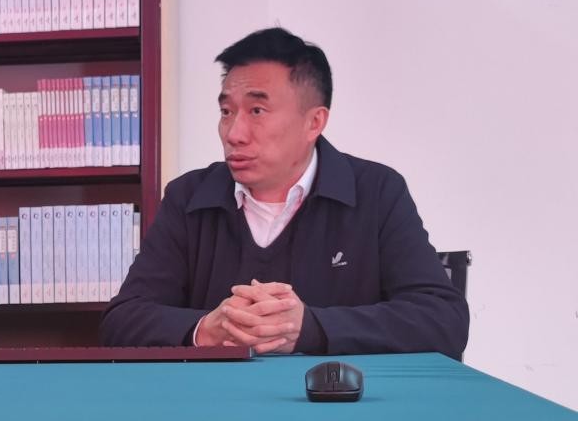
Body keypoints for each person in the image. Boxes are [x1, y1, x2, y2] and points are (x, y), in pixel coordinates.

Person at [100, 27, 469, 359]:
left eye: (257, 111)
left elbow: (443, 319)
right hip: (216, 405)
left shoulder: (376, 192)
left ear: (314, 122)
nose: (234, 133)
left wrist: (311, 328)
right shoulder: (188, 196)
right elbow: (122, 319)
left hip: (337, 407)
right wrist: (204, 330)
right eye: (226, 111)